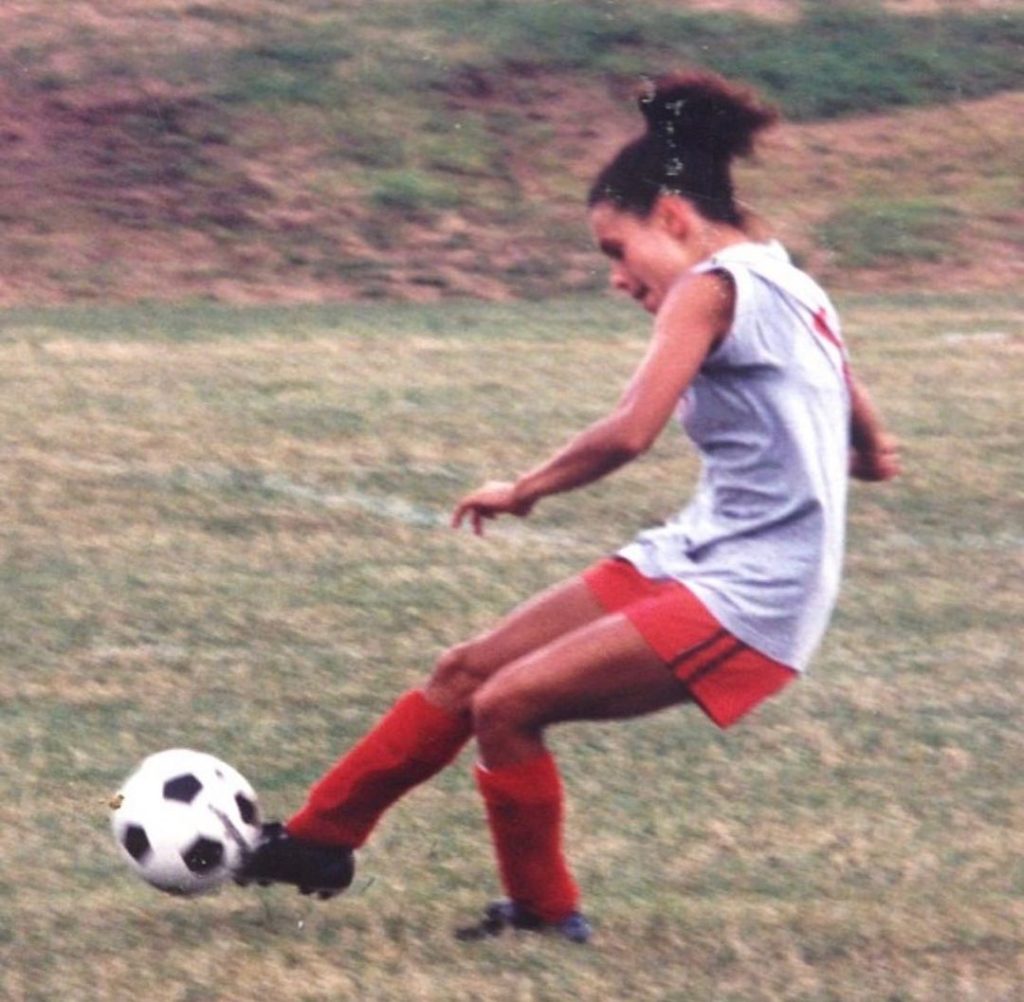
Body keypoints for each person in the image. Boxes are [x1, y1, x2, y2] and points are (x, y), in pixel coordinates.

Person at [239, 70, 901, 944]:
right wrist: (870, 445)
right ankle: (321, 840)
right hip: (694, 552)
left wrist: (524, 490)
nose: (619, 280)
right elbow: (837, 368)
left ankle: (547, 918)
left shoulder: (711, 287)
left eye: (616, 253)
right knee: (467, 671)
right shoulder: (789, 279)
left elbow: (629, 433)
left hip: (755, 592)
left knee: (507, 706)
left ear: (671, 216)